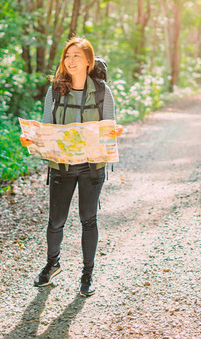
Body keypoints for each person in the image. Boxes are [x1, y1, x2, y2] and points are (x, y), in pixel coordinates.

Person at [20, 36, 123, 297]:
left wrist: (113, 133)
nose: (71, 60)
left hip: (91, 167)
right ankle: (52, 264)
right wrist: (32, 138)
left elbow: (107, 126)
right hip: (62, 166)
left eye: (77, 56)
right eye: (68, 56)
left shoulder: (102, 92)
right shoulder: (55, 90)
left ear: (89, 62)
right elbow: (46, 125)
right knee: (56, 221)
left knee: (89, 220)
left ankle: (87, 275)